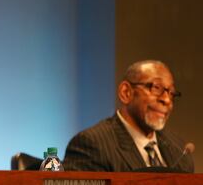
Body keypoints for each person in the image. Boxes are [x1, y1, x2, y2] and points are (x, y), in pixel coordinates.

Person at [63, 60, 194, 172]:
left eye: (171, 93)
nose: (166, 99)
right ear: (126, 93)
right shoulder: (91, 145)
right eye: (156, 87)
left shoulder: (180, 150)